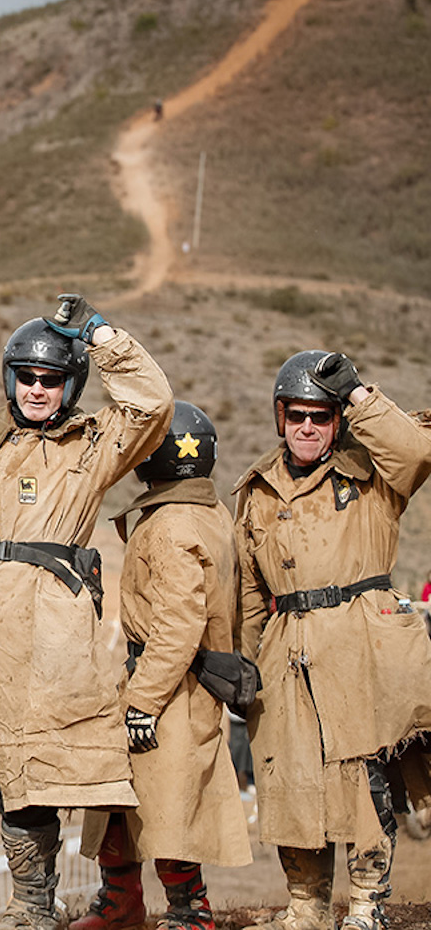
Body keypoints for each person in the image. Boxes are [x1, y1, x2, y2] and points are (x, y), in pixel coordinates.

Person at [0, 294, 172, 930]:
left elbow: (151, 403)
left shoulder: (93, 446)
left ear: (71, 383)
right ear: (9, 378)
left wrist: (101, 336)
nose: (37, 389)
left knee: (36, 771)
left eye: (51, 379)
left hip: (44, 628)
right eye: (26, 377)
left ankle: (31, 906)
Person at [236, 352, 431, 930]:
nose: (307, 427)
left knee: (360, 778)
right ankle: (307, 906)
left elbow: (418, 451)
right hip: (286, 646)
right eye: (297, 414)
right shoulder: (257, 491)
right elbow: (249, 589)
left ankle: (368, 906)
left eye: (321, 415)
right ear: (280, 416)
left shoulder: (372, 473)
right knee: (291, 777)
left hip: (360, 639)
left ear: (336, 419)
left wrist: (360, 396)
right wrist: (245, 661)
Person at [76, 401, 252, 930]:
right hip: (181, 676)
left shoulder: (169, 524)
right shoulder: (211, 513)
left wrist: (143, 701)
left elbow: (178, 623)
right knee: (123, 798)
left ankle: (188, 910)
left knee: (167, 800)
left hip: (168, 680)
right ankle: (122, 901)